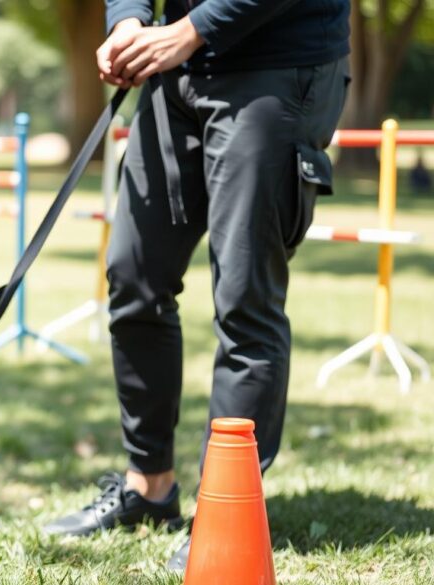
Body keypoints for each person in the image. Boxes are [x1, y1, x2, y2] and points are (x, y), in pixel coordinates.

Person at [43, 0, 351, 570]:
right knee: (133, 278)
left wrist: (192, 29)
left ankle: (223, 512)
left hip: (277, 65)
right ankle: (150, 487)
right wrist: (130, 22)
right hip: (175, 71)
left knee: (244, 300)